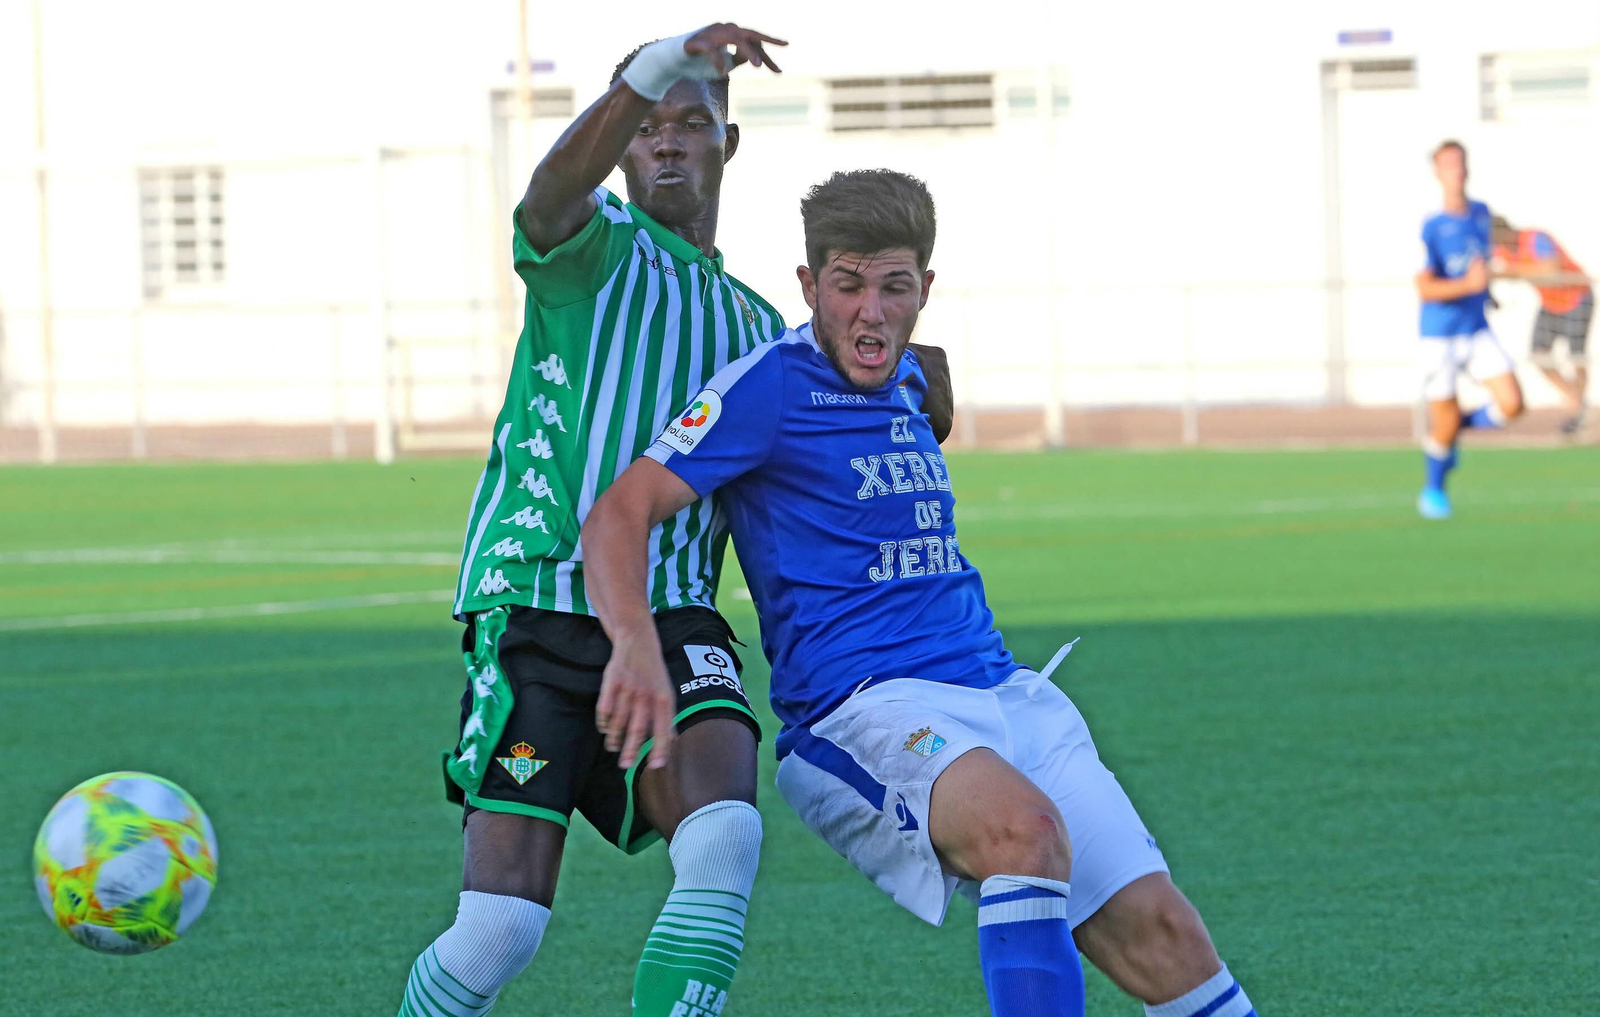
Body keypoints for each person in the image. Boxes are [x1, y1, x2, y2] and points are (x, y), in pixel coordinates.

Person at [582, 169, 1258, 1017]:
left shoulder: (906, 374)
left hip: (1006, 690)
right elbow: (619, 511)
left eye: (894, 286)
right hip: (864, 708)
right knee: (1026, 834)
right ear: (809, 286)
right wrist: (636, 644)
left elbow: (912, 387)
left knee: (1167, 935)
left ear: (925, 289)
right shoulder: (770, 387)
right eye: (848, 285)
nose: (871, 311)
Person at [400, 25, 957, 1017]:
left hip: (673, 620)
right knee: (499, 932)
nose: (665, 142)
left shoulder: (755, 330)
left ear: (726, 143)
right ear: (622, 145)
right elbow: (543, 199)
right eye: (647, 126)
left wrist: (922, 380)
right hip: (536, 608)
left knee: (726, 837)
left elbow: (848, 398)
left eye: (689, 123)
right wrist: (649, 67)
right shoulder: (591, 251)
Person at [1413, 140, 1525, 520]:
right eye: (1448, 166)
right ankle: (1433, 489)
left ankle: (1453, 426)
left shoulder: (1480, 214)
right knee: (1441, 422)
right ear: (1437, 173)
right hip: (1439, 335)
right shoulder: (1429, 226)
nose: (1456, 172)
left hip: (1476, 329)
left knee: (1512, 404)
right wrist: (1468, 286)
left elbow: (1480, 266)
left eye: (1460, 164)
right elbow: (1425, 288)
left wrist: (1487, 290)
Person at [1491, 215, 1592, 434]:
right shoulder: (1501, 250)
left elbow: (1550, 270)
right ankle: (1574, 399)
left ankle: (1577, 411)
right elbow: (1488, 270)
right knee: (1539, 354)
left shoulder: (1535, 239)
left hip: (1576, 297)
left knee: (1577, 357)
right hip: (1550, 303)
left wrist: (1511, 273)